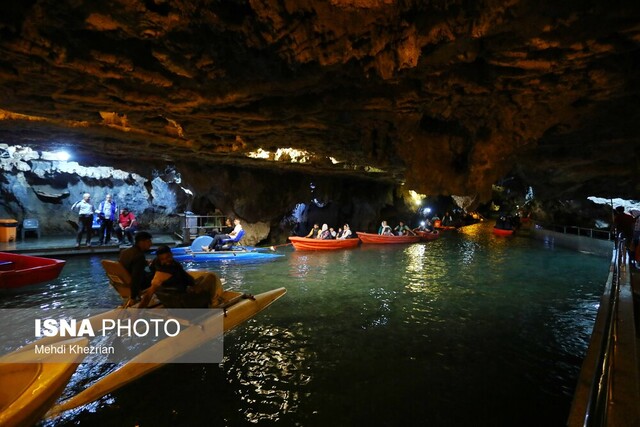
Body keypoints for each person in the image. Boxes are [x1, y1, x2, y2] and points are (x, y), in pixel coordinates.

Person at [142, 245, 224, 308]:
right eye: (163, 259)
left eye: (167, 257)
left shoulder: (163, 266)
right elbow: (148, 295)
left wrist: (192, 285)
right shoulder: (160, 275)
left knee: (203, 278)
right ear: (160, 259)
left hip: (177, 297)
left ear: (171, 254)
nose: (166, 261)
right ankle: (213, 302)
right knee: (210, 277)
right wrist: (137, 313)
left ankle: (209, 298)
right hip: (184, 302)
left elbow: (185, 278)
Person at [119, 231, 153, 300]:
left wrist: (144, 262)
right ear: (141, 242)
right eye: (148, 241)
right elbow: (136, 278)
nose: (151, 244)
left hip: (124, 281)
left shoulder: (125, 252)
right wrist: (133, 297)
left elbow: (131, 264)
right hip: (138, 284)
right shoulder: (139, 256)